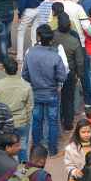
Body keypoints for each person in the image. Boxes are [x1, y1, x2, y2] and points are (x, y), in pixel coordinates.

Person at [22, 25, 68, 156]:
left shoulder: (30, 53)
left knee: (37, 120)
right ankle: (52, 150)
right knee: (52, 121)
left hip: (35, 92)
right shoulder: (55, 56)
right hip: (52, 93)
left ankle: (36, 149)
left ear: (38, 37)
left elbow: (24, 74)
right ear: (51, 39)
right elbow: (62, 76)